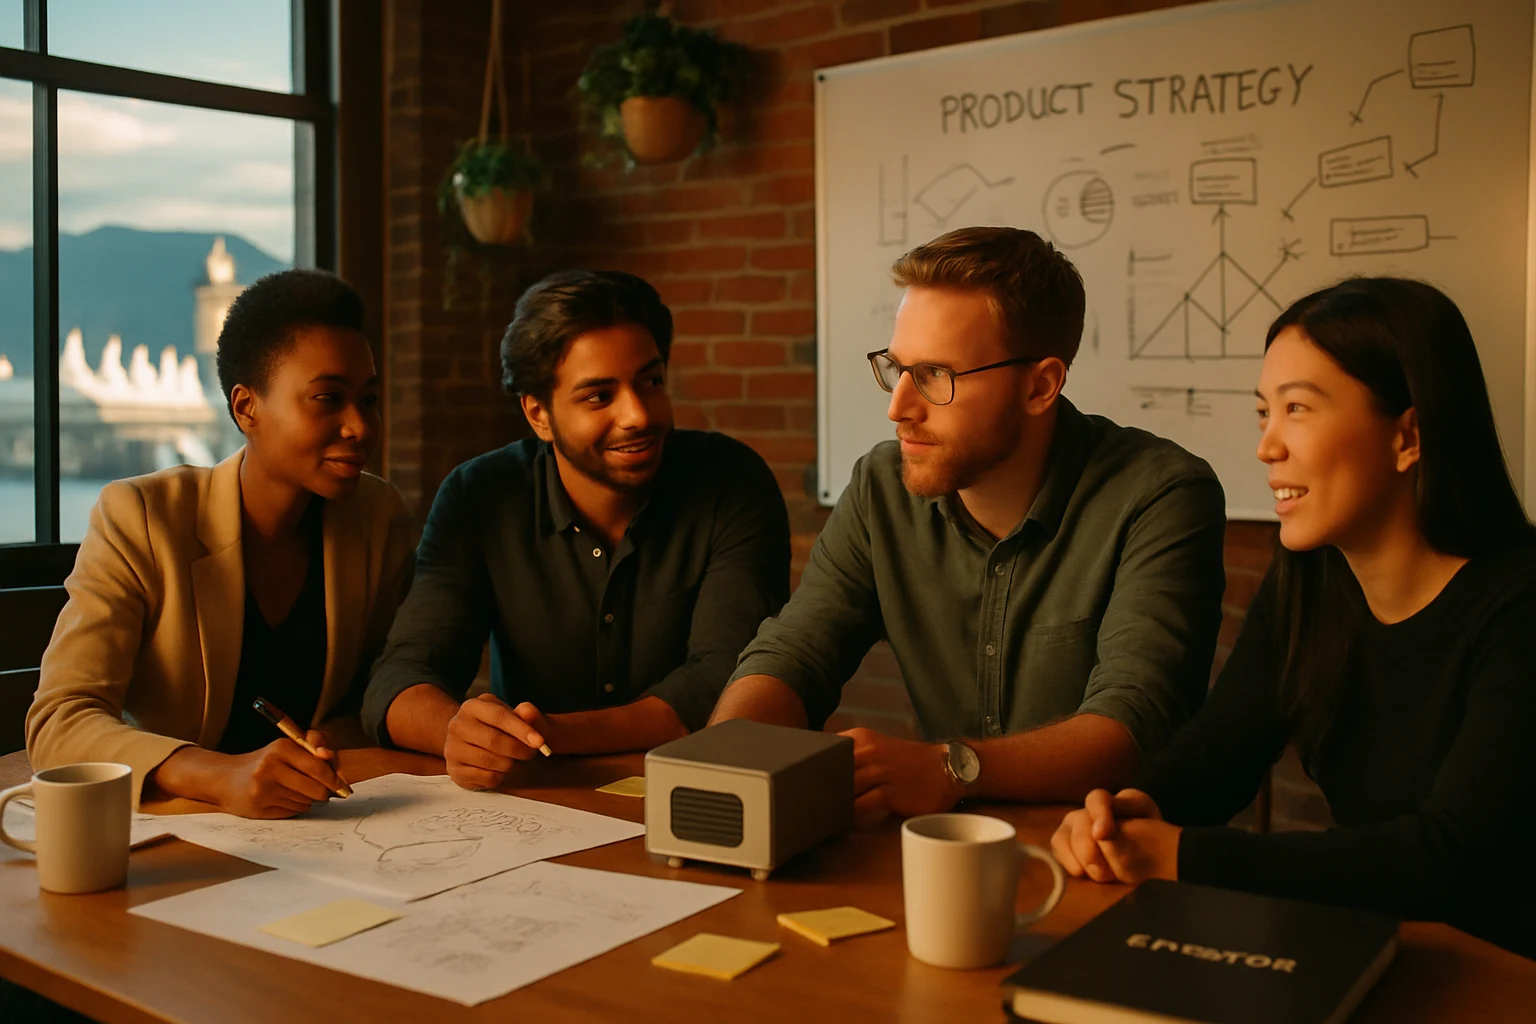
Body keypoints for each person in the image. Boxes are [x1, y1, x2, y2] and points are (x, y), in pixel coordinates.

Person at [1051, 277, 1536, 959]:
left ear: (1409, 435)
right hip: (1382, 953)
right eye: (1262, 414)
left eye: (1298, 409)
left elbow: (1448, 858)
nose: (1266, 447)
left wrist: (1187, 856)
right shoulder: (1312, 581)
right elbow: (1221, 750)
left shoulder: (1520, 608)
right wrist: (1131, 809)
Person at [710, 226, 1227, 820]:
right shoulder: (882, 486)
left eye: (935, 376)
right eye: (897, 369)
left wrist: (948, 768)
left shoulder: (1160, 494)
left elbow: (1133, 725)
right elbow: (795, 654)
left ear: (1041, 386)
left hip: (1110, 858)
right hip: (948, 854)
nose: (898, 407)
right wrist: (728, 755)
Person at [362, 269, 790, 790]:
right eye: (599, 396)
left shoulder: (731, 481)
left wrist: (550, 735)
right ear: (538, 414)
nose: (636, 414)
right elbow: (400, 677)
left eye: (651, 381)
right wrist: (459, 732)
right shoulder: (479, 495)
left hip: (695, 793)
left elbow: (724, 683)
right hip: (532, 809)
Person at [26, 269, 416, 818]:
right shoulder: (141, 518)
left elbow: (382, 689)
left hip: (330, 824)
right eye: (328, 399)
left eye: (370, 399)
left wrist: (327, 742)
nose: (360, 426)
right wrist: (219, 774)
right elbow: (61, 721)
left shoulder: (378, 517)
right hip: (182, 836)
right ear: (245, 407)